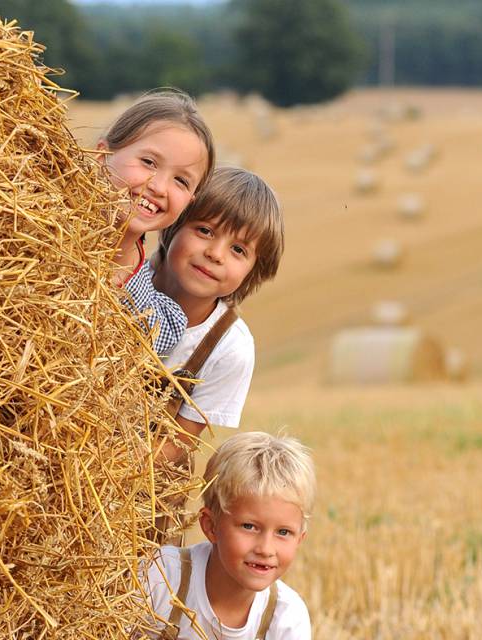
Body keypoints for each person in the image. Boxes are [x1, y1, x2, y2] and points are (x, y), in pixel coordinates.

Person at [151, 166, 284, 463]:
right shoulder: (121, 279)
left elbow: (177, 445)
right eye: (205, 231)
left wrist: (103, 462)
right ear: (173, 224)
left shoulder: (230, 348)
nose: (216, 253)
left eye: (238, 249)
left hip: (139, 486)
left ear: (254, 272)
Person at [140, 431, 315, 639]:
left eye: (283, 532)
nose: (265, 549)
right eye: (249, 527)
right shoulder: (161, 578)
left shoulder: (285, 618)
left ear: (300, 539)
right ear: (211, 526)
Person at [97, 89, 215, 354]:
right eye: (148, 162)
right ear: (102, 155)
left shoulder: (156, 319)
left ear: (189, 201)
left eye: (181, 181)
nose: (159, 187)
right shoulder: (38, 224)